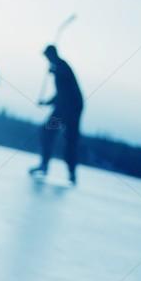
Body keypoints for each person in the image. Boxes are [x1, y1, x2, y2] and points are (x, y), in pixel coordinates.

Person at [30, 45, 84, 185]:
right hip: (66, 107)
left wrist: (55, 71)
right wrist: (47, 102)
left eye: (47, 57)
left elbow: (66, 90)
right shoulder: (59, 67)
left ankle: (60, 170)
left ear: (51, 55)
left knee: (57, 136)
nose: (47, 60)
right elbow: (62, 92)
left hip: (68, 109)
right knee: (55, 136)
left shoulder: (62, 66)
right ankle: (52, 168)